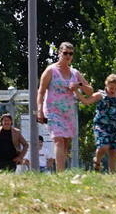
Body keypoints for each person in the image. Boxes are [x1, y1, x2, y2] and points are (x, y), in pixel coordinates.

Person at [36, 42, 90, 172]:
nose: (68, 56)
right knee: (58, 139)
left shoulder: (75, 73)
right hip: (52, 110)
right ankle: (60, 174)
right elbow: (41, 92)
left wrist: (79, 85)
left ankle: (62, 172)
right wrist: (39, 111)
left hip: (68, 112)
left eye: (71, 54)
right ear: (59, 53)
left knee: (65, 143)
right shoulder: (51, 70)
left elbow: (90, 91)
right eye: (65, 53)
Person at [76, 73, 116, 172]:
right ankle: (97, 160)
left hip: (114, 126)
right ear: (106, 84)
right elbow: (86, 101)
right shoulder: (100, 95)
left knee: (113, 151)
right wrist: (76, 91)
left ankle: (112, 173)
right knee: (104, 146)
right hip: (101, 125)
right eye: (111, 87)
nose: (113, 90)